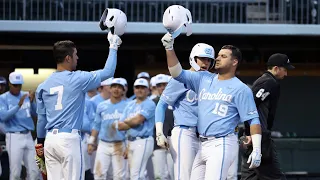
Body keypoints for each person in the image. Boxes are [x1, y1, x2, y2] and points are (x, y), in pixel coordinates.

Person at [161, 31, 263, 179]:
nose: (217, 58)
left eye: (223, 56)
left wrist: (257, 149)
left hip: (222, 142)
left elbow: (253, 119)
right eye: (218, 55)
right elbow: (177, 73)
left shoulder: (241, 89)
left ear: (234, 62)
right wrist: (169, 48)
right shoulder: (204, 78)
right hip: (202, 144)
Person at [35, 30, 123, 180]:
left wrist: (40, 144)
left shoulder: (43, 85)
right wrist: (113, 45)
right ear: (68, 58)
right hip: (68, 139)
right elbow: (108, 72)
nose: (77, 58)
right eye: (75, 55)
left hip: (49, 140)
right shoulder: (78, 78)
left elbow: (41, 120)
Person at [156, 43, 215, 180]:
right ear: (193, 58)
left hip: (205, 136)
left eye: (209, 60)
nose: (205, 63)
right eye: (202, 58)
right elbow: (161, 105)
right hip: (185, 132)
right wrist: (159, 132)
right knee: (184, 176)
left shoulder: (212, 80)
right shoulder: (181, 78)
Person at [241, 53, 294, 180]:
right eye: (284, 69)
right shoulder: (269, 82)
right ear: (276, 68)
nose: (286, 74)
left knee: (250, 175)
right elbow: (251, 106)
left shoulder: (264, 81)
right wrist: (250, 133)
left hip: (254, 135)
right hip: (259, 136)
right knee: (275, 176)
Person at [112, 78, 156, 180]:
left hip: (143, 140)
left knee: (136, 174)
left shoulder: (150, 103)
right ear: (134, 89)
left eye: (143, 88)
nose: (140, 90)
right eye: (137, 87)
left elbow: (138, 120)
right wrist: (131, 121)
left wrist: (129, 121)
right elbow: (120, 126)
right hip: (130, 141)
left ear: (148, 90)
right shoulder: (130, 104)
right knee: (133, 174)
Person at [0, 72, 39, 180]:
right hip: (14, 136)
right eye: (15, 85)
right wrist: (18, 105)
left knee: (34, 171)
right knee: (16, 172)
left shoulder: (26, 95)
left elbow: (36, 113)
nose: (17, 87)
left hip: (28, 135)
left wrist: (33, 101)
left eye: (19, 85)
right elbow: (3, 117)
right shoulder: (3, 98)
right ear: (10, 84)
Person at [88, 78, 128, 179]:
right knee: (99, 174)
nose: (116, 89)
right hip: (103, 144)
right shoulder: (101, 105)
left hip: (120, 143)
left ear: (124, 90)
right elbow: (96, 125)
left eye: (119, 87)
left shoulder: (128, 106)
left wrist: (128, 146)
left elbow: (129, 128)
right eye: (114, 86)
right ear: (110, 89)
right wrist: (91, 142)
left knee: (119, 176)